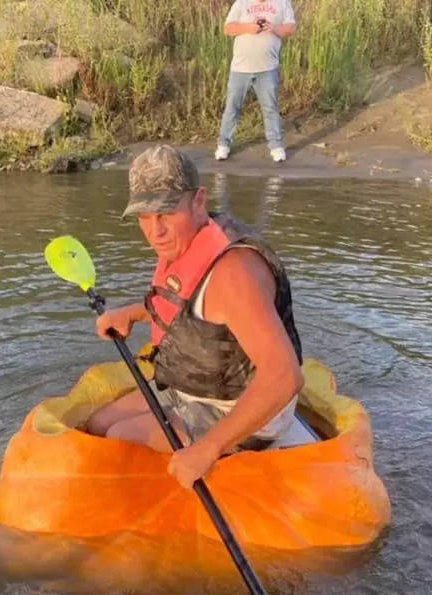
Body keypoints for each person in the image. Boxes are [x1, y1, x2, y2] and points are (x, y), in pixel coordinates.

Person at [84, 145, 306, 490]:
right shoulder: (187, 241)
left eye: (166, 212)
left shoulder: (234, 274)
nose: (155, 230)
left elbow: (284, 377)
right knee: (98, 424)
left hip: (239, 408)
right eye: (145, 215)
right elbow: (190, 310)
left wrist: (207, 448)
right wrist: (131, 313)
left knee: (119, 435)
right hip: (194, 387)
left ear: (199, 200)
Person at [216, 0, 297, 163]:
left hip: (268, 68)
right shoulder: (241, 3)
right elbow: (228, 28)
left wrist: (273, 28)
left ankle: (276, 146)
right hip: (240, 68)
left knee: (270, 108)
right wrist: (248, 28)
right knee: (232, 107)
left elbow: (290, 28)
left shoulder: (282, 3)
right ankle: (223, 145)